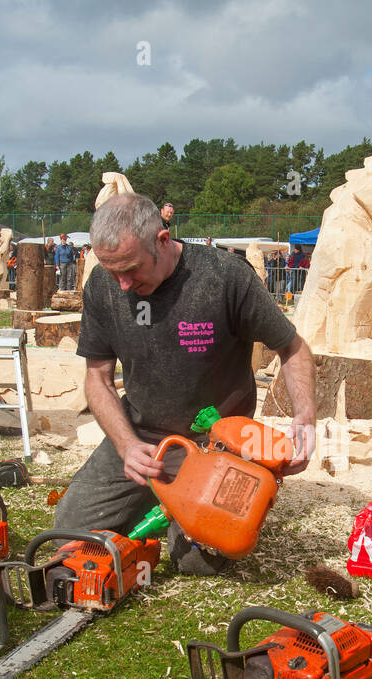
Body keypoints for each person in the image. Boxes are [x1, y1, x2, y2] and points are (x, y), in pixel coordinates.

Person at [53, 192, 317, 574]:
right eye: (114, 272)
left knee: (197, 562)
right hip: (141, 435)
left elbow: (292, 349)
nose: (123, 285)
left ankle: (199, 497)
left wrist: (304, 419)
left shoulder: (225, 276)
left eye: (131, 269)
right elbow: (98, 378)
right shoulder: (102, 285)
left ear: (162, 240)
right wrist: (127, 446)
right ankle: (154, 498)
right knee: (70, 532)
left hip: (215, 444)